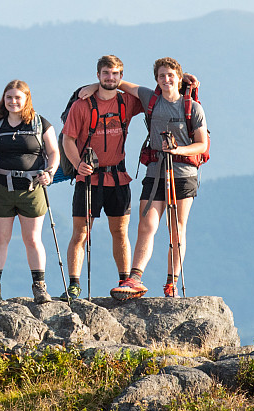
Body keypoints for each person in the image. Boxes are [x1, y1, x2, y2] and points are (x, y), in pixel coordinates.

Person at [108, 57, 208, 299]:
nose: (166, 79)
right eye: (162, 76)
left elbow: (201, 145)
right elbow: (119, 84)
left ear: (179, 77)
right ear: (156, 79)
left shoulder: (192, 107)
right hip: (155, 172)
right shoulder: (150, 98)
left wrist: (177, 151)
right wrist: (90, 88)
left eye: (170, 75)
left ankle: (171, 283)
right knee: (146, 225)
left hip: (183, 174)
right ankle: (135, 278)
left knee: (176, 229)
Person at [60, 55, 144, 300]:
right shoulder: (81, 105)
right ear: (98, 74)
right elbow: (68, 139)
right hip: (88, 180)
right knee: (81, 233)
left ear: (121, 75)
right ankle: (74, 285)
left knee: (120, 231)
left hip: (118, 177)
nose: (111, 78)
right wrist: (78, 165)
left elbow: (153, 95)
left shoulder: (126, 101)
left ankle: (125, 281)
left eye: (116, 73)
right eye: (106, 73)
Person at [0, 80, 59, 304]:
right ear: (4, 99)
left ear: (26, 100)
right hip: (1, 186)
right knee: (0, 239)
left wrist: (50, 172)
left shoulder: (40, 123)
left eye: (17, 98)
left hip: (32, 188)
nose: (13, 102)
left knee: (32, 239)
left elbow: (53, 152)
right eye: (9, 98)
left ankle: (39, 286)